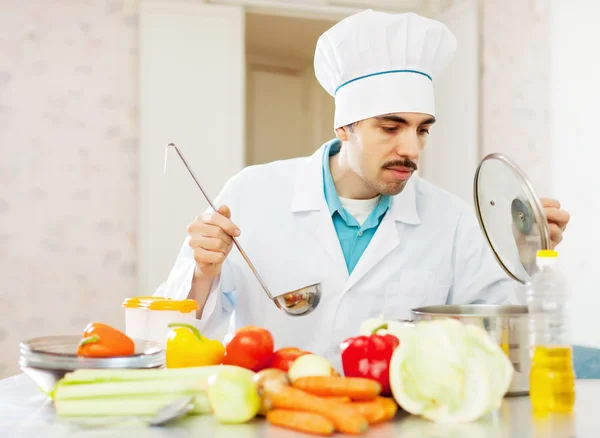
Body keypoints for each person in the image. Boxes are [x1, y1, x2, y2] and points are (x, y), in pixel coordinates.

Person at [154, 10, 570, 365]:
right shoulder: (251, 193)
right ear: (344, 127)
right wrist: (202, 273)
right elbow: (172, 334)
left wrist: (524, 257)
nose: (411, 149)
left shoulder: (453, 220)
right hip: (271, 415)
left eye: (422, 129)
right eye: (390, 127)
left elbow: (495, 338)